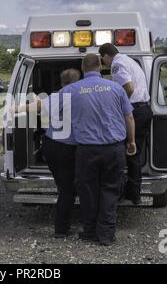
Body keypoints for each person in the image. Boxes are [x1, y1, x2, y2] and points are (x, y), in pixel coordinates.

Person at [63, 54, 136, 246]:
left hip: (86, 151)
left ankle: (89, 231)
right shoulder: (116, 88)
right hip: (113, 150)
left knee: (87, 192)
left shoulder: (70, 90)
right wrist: (131, 141)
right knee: (110, 191)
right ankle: (105, 235)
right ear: (101, 66)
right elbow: (129, 117)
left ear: (82, 67)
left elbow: (50, 110)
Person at [14, 68, 82, 238]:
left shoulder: (55, 97)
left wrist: (15, 109)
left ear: (61, 82)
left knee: (64, 187)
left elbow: (35, 106)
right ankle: (62, 229)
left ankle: (64, 225)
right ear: (79, 80)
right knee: (71, 189)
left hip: (51, 146)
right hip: (70, 148)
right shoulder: (82, 95)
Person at [99, 43, 152, 205]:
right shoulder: (129, 61)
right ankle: (134, 194)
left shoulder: (117, 64)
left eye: (103, 60)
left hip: (133, 111)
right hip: (144, 110)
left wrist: (118, 107)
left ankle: (118, 193)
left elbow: (128, 88)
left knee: (119, 153)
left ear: (107, 55)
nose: (104, 63)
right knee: (134, 154)